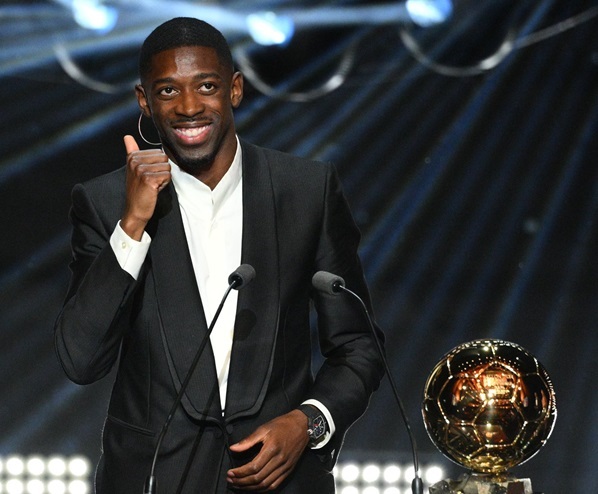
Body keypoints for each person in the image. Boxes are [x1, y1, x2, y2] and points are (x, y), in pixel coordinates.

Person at [54, 17, 385, 493]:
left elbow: (358, 346)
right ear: (144, 101)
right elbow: (81, 360)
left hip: (279, 480)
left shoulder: (306, 190)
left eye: (206, 86)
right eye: (168, 91)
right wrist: (133, 223)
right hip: (153, 480)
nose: (189, 107)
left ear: (234, 89)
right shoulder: (106, 203)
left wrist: (308, 422)